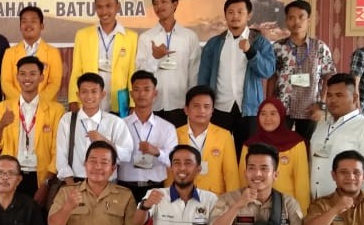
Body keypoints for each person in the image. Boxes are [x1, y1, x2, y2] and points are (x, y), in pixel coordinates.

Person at [198, 0, 276, 150]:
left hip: (249, 109)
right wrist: (204, 105)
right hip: (219, 107)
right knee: (216, 152)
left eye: (240, 12)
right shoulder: (214, 44)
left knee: (247, 154)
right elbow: (203, 77)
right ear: (225, 15)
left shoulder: (260, 42)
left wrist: (250, 52)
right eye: (231, 12)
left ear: (249, 15)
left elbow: (267, 71)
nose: (235, 16)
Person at [0, 56, 64, 202]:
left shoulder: (56, 110)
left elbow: (58, 150)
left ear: (41, 77)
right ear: (17, 77)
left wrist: (46, 183)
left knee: (37, 215)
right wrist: (1, 125)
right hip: (10, 175)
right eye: (22, 74)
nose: (27, 78)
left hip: (39, 176)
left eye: (33, 74)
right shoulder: (3, 107)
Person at [310, 74, 364, 198]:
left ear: (355, 98)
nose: (332, 100)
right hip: (317, 205)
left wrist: (362, 208)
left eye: (339, 95)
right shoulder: (321, 126)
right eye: (329, 95)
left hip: (349, 207)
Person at [269, 0, 336, 139]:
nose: (296, 22)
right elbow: (272, 76)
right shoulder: (277, 47)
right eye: (291, 18)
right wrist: (269, 104)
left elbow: (329, 77)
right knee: (279, 144)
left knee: (306, 146)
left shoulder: (319, 47)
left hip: (310, 108)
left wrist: (321, 105)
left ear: (309, 20)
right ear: (286, 21)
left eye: (301, 17)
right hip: (282, 107)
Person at [135, 0, 201, 124]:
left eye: (164, 1)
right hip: (153, 104)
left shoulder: (189, 37)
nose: (159, 6)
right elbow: (140, 74)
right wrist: (154, 58)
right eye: (155, 3)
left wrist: (192, 103)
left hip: (181, 104)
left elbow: (194, 73)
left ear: (175, 4)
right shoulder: (146, 37)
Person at [68, 0, 138, 114]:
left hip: (119, 104)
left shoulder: (131, 37)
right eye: (99, 7)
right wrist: (73, 100)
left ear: (117, 7)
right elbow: (76, 71)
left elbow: (132, 74)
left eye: (108, 6)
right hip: (89, 102)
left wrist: (133, 103)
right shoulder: (82, 35)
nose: (104, 11)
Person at [56, 73, 133, 184]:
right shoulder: (67, 120)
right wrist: (70, 184)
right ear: (78, 95)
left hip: (107, 183)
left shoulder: (115, 122)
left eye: (94, 91)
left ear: (102, 94)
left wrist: (105, 141)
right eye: (84, 92)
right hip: (75, 182)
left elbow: (126, 155)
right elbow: (61, 154)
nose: (89, 96)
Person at [118, 71, 178, 207]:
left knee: (154, 221)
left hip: (155, 188)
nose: (142, 94)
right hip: (125, 188)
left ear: (155, 94)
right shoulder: (120, 125)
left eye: (146, 89)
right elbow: (113, 157)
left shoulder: (167, 127)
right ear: (131, 94)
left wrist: (157, 152)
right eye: (137, 90)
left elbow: (173, 161)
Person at [239, 98, 310, 212]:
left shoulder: (296, 143)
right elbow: (243, 180)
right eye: (263, 114)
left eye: (273, 113)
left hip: (287, 208)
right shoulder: (249, 145)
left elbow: (302, 184)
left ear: (281, 115)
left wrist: (302, 214)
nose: (268, 118)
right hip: (255, 208)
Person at [169, 85, 239, 196]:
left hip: (215, 199)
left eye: (206, 106)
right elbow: (169, 172)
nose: (201, 110)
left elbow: (231, 175)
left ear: (212, 111)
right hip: (182, 198)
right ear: (186, 110)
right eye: (196, 106)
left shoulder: (224, 136)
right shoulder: (174, 135)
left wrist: (232, 202)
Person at [0, 5, 63, 104]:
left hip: (45, 106)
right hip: (16, 106)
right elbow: (6, 82)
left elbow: (54, 83)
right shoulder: (9, 53)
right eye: (24, 21)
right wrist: (23, 101)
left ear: (41, 26)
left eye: (33, 21)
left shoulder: (53, 52)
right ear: (20, 26)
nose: (28, 25)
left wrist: (37, 102)